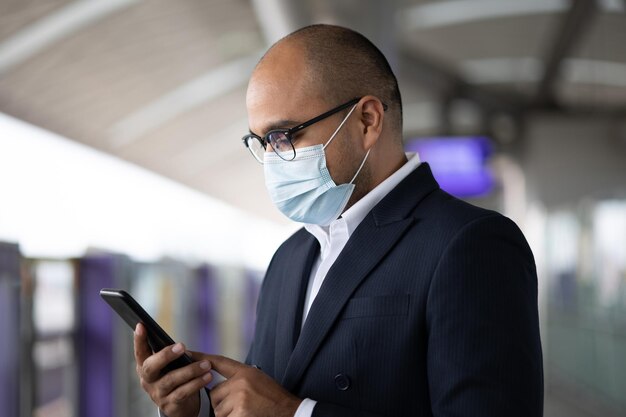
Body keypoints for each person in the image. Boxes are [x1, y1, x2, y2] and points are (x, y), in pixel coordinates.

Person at [133, 24, 544, 417]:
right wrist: (196, 408)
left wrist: (295, 414)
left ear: (367, 121)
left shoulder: (471, 243)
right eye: (260, 142)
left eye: (285, 136)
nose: (273, 160)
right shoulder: (289, 258)